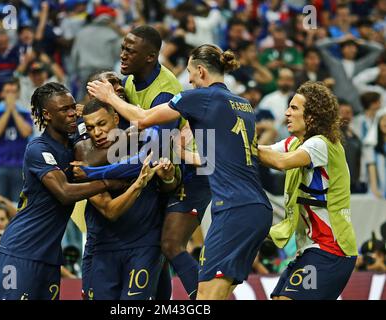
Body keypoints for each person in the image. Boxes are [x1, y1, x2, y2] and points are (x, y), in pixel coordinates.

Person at [88, 44, 273, 300]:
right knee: (211, 295)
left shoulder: (200, 97)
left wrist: (109, 96)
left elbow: (142, 117)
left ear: (200, 70)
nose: (189, 80)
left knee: (203, 297)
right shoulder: (244, 105)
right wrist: (185, 154)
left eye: (190, 73)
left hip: (233, 208)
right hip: (258, 208)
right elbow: (227, 158)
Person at [0, 82, 150, 300]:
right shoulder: (38, 149)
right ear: (47, 115)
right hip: (21, 251)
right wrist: (108, 183)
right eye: (63, 110)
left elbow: (98, 140)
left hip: (50, 257)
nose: (71, 114)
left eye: (72, 108)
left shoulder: (73, 141)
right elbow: (64, 193)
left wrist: (144, 128)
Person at [119, 25, 212, 300]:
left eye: (130, 50)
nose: (122, 54)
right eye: (123, 47)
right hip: (170, 171)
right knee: (157, 245)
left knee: (172, 244)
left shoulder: (167, 88)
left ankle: (207, 300)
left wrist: (97, 170)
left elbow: (155, 147)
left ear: (150, 57)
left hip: (193, 171)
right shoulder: (129, 81)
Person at [257, 81, 358, 300]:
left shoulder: (321, 144)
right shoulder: (295, 142)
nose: (286, 113)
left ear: (311, 116)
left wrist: (241, 143)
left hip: (332, 249)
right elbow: (264, 151)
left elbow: (280, 162)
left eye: (294, 108)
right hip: (311, 250)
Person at [78, 99, 179, 300]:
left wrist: (168, 176)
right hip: (105, 247)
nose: (97, 132)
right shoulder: (84, 155)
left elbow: (170, 186)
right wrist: (137, 184)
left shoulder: (145, 140)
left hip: (144, 244)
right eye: (90, 127)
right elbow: (110, 210)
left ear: (116, 119)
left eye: (101, 124)